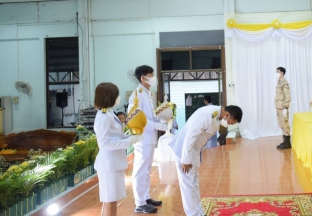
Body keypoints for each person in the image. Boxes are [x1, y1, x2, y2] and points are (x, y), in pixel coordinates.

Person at [169, 105, 243, 216]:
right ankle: (193, 214)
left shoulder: (216, 115)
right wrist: (185, 160)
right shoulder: (207, 115)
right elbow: (190, 136)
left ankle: (199, 212)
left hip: (193, 151)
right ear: (227, 115)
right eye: (231, 122)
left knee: (194, 184)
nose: (229, 125)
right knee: (188, 186)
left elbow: (215, 125)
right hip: (185, 151)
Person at [93, 82, 143, 216]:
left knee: (113, 200)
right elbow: (104, 144)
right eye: (116, 95)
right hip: (108, 164)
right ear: (109, 97)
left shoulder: (109, 113)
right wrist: (128, 141)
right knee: (109, 201)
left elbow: (115, 137)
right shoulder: (103, 116)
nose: (118, 97)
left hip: (114, 163)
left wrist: (130, 136)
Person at [129, 65, 168, 214]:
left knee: (146, 170)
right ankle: (139, 203)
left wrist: (163, 116)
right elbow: (138, 120)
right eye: (151, 75)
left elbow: (149, 115)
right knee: (140, 170)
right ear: (143, 78)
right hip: (142, 137)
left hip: (150, 137)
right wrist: (159, 126)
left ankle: (145, 197)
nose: (154, 78)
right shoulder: (137, 95)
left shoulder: (147, 93)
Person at [275, 67, 291, 149]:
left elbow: (288, 96)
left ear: (282, 73)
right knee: (281, 124)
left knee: (285, 124)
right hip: (278, 106)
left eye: (277, 72)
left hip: (283, 107)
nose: (276, 73)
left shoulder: (285, 82)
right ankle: (284, 141)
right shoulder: (279, 82)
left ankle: (288, 143)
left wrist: (286, 107)